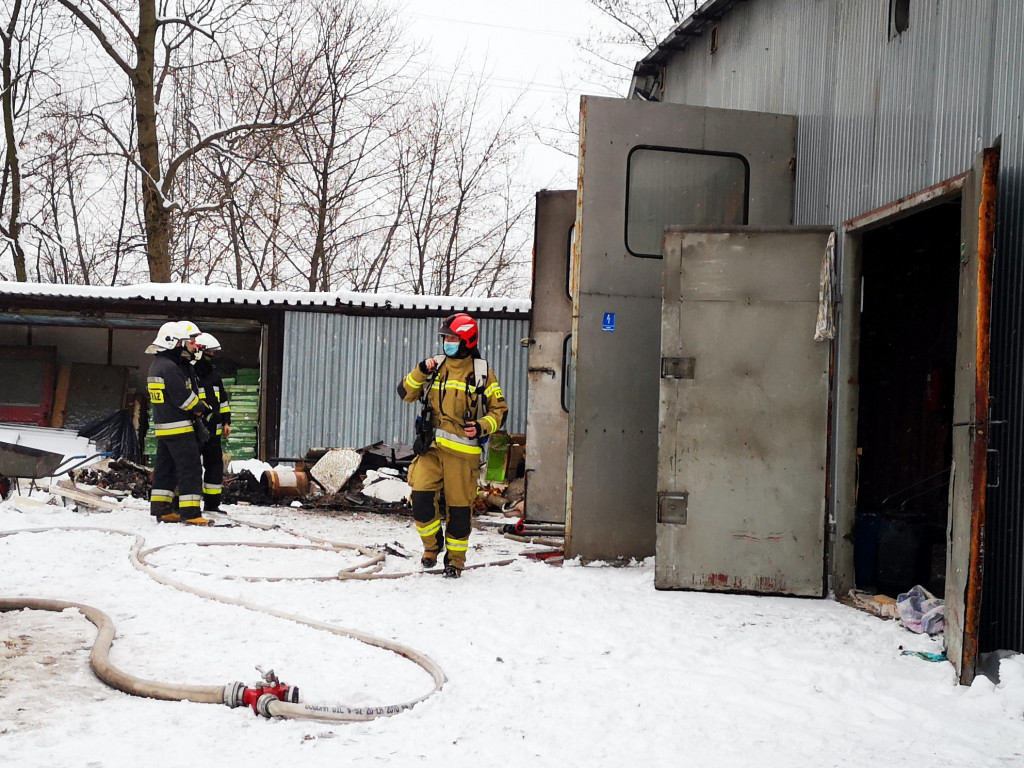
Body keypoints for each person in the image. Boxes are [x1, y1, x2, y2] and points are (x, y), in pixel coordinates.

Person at [398, 313, 507, 578]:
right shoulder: (435, 366)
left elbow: (499, 411)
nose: (447, 342)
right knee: (421, 498)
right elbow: (405, 393)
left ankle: (455, 561)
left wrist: (482, 426)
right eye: (445, 337)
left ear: (466, 340)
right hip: (431, 449)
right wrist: (420, 370)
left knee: (459, 511)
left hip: (463, 455)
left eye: (452, 338)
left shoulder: (481, 373)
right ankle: (431, 548)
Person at [145, 320, 212, 525]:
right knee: (190, 468)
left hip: (164, 427)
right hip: (179, 426)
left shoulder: (156, 366)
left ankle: (161, 509)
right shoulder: (170, 368)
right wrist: (201, 407)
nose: (186, 346)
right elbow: (182, 398)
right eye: (183, 342)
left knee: (166, 469)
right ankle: (191, 513)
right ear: (173, 343)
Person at [191, 332, 232, 513]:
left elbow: (223, 401)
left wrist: (226, 422)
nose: (212, 356)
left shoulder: (214, 376)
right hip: (195, 431)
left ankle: (212, 504)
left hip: (214, 431)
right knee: (191, 468)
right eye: (209, 353)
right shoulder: (188, 373)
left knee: (214, 467)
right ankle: (188, 506)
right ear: (199, 352)